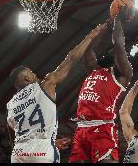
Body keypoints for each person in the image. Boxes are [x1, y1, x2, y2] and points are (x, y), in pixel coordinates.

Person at [6, 23, 107, 163]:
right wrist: (91, 36)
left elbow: (10, 128)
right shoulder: (44, 86)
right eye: (32, 73)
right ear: (27, 78)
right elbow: (71, 59)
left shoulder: (11, 104)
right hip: (41, 150)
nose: (35, 75)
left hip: (18, 153)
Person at [69, 9, 134, 163]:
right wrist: (105, 27)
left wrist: (118, 20)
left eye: (116, 54)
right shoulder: (95, 69)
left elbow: (118, 45)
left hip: (102, 129)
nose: (111, 52)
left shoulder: (123, 74)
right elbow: (88, 50)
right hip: (81, 129)